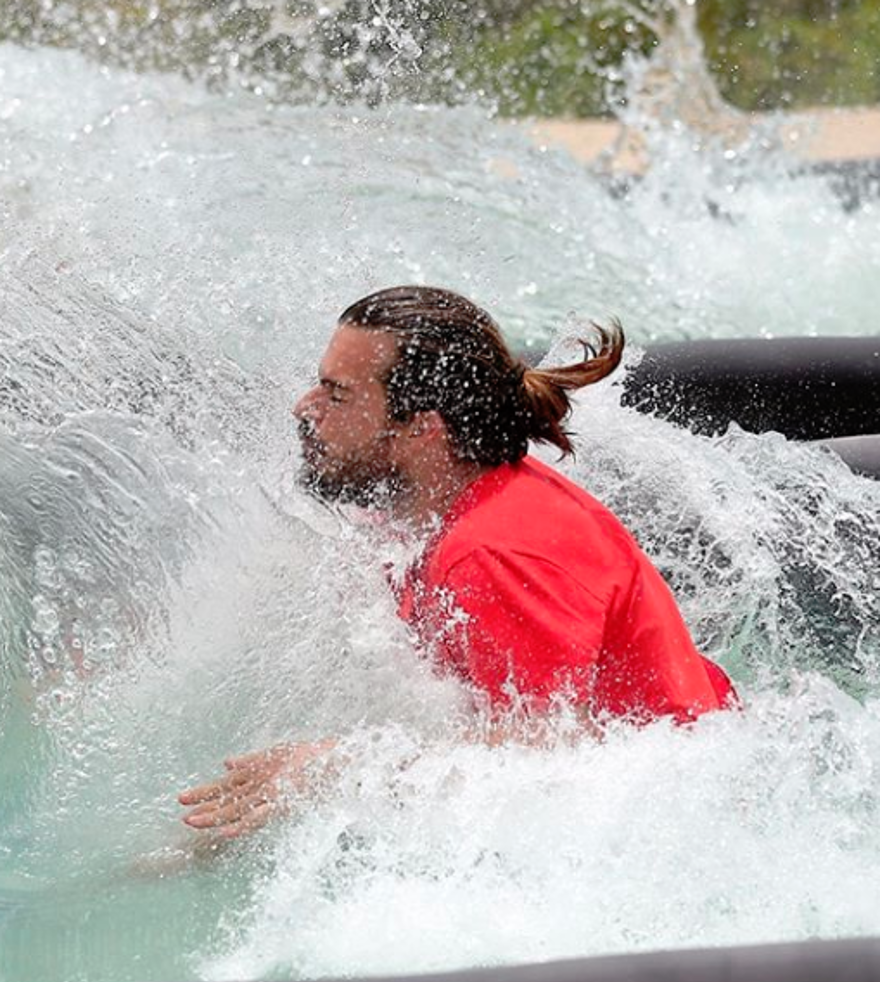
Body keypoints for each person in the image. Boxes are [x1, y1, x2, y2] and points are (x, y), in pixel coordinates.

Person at [179, 285, 736, 838]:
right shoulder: (429, 506)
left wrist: (334, 768)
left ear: (423, 426)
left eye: (338, 394)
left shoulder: (494, 553)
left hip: (672, 818)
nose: (305, 407)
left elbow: (549, 760)